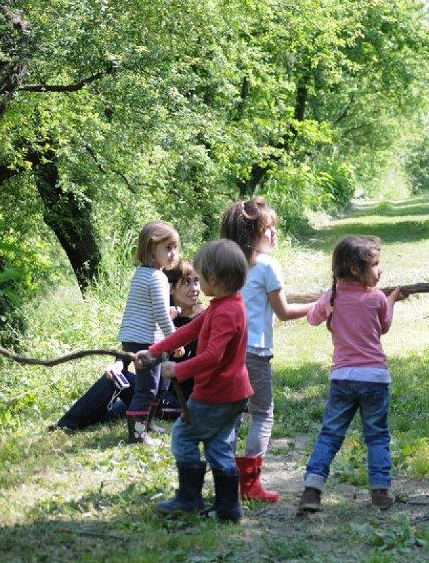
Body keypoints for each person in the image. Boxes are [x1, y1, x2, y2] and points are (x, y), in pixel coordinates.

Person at [138, 239, 252, 523]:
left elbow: (213, 356)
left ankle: (190, 499)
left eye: (201, 277)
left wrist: (180, 370)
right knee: (218, 445)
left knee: (184, 435)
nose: (199, 283)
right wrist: (154, 350)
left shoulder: (226, 312)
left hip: (216, 393)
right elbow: (188, 331)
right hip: (233, 393)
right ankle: (228, 507)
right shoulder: (224, 305)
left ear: (213, 279)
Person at [298, 235, 405, 514]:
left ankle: (312, 489)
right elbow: (384, 326)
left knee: (330, 435)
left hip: (343, 378)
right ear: (357, 269)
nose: (380, 270)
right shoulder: (378, 298)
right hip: (375, 379)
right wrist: (392, 299)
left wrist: (329, 310)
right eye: (375, 265)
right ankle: (380, 492)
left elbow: (312, 318)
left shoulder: (332, 296)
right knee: (377, 436)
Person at [220, 197, 312, 503]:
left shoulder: (225, 266)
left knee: (231, 415)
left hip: (224, 352)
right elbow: (283, 311)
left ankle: (225, 479)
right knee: (262, 414)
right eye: (267, 229)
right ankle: (249, 484)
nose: (274, 234)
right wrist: (321, 306)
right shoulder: (268, 266)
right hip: (255, 352)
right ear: (251, 234)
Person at [51, 260, 203, 432]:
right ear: (171, 289)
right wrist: (119, 363)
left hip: (178, 402)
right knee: (115, 381)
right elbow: (138, 345)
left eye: (196, 281)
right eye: (187, 283)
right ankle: (74, 423)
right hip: (155, 394)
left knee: (118, 387)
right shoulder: (162, 318)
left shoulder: (203, 320)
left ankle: (65, 426)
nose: (194, 288)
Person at [117, 221, 182, 445]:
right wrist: (175, 340)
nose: (173, 253)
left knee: (160, 384)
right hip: (142, 340)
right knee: (146, 388)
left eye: (175, 247)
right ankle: (137, 434)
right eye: (167, 248)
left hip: (138, 337)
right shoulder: (157, 278)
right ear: (150, 250)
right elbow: (161, 316)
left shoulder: (143, 274)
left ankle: (148, 423)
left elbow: (152, 309)